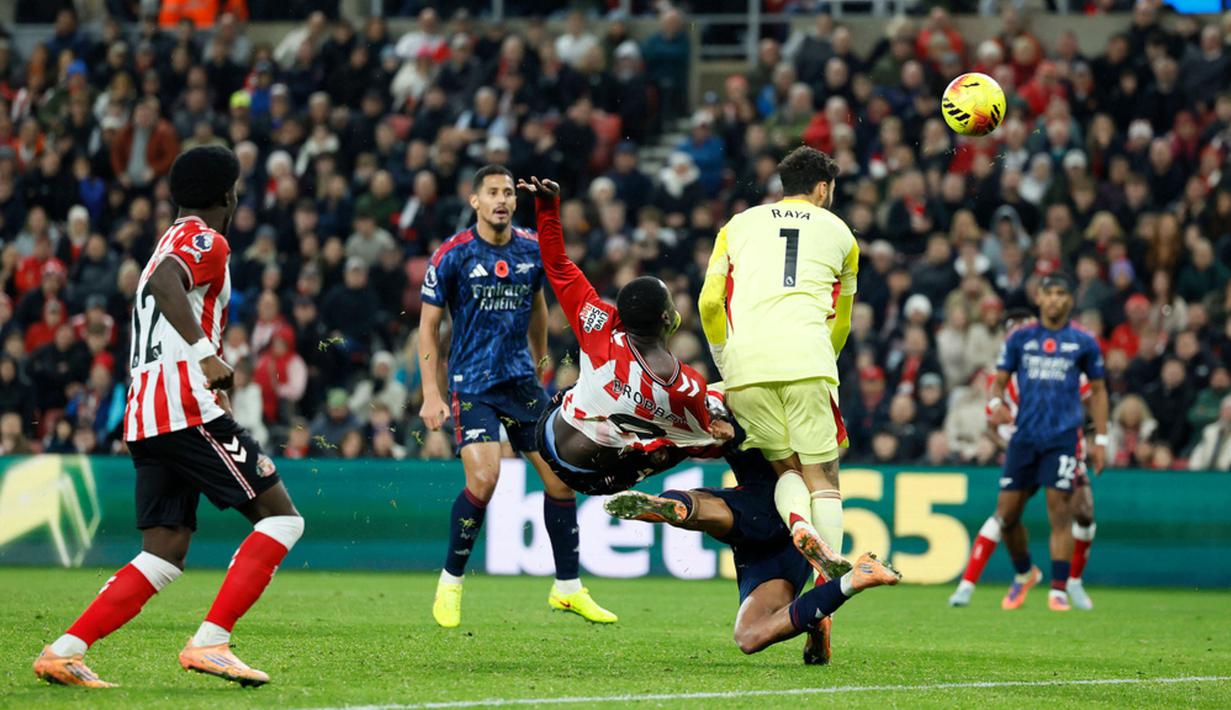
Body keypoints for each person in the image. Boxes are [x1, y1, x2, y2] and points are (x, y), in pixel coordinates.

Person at [34, 147, 303, 688]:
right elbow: (166, 284)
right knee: (281, 519)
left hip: (146, 414)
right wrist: (206, 355)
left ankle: (64, 651)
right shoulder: (207, 240)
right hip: (182, 406)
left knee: (164, 552)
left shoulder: (166, 240)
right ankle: (211, 642)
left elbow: (161, 286)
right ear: (227, 194)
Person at [418, 166, 615, 630]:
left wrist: (541, 356)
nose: (502, 199)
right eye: (492, 192)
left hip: (522, 384)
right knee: (485, 479)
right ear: (475, 201)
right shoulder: (453, 254)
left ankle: (568, 588)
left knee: (562, 479)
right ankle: (450, 582)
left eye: (508, 192)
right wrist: (431, 393)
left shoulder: (530, 248)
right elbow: (428, 325)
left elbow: (538, 305)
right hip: (473, 384)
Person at [698, 145, 857, 653]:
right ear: (823, 189)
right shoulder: (842, 235)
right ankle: (824, 591)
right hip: (807, 359)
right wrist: (822, 359)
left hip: (746, 368)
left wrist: (726, 360)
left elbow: (709, 302)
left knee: (786, 469)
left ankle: (796, 522)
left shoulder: (737, 226)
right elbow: (842, 320)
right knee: (823, 482)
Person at [518, 176, 736, 497]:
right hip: (593, 477)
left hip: (549, 434)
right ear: (666, 318)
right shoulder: (685, 386)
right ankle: (652, 463)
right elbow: (708, 443)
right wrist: (723, 426)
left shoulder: (599, 325)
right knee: (695, 435)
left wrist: (548, 207)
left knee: (600, 393)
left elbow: (559, 266)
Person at [604, 448, 899, 665]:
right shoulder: (808, 407)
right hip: (792, 530)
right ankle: (845, 586)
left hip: (761, 504)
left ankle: (675, 506)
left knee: (713, 509)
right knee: (749, 636)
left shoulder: (732, 403)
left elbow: (688, 442)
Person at [949, 308, 1099, 610]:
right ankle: (1012, 576)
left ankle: (1071, 583)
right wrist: (1011, 446)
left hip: (1062, 446)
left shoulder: (1061, 363)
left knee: (1082, 512)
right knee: (1005, 516)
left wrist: (1095, 438)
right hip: (1025, 450)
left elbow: (1090, 399)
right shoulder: (1002, 376)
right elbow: (992, 426)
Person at [981, 275, 1108, 613]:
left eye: (1060, 293)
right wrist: (996, 404)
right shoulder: (1019, 340)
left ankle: (1061, 589)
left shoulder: (1083, 341)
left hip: (1063, 439)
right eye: (1048, 293)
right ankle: (1025, 572)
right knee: (1007, 515)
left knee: (1066, 512)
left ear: (1070, 299)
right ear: (1038, 298)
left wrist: (1101, 438)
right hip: (1024, 438)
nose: (1054, 299)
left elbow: (1097, 392)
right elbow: (998, 384)